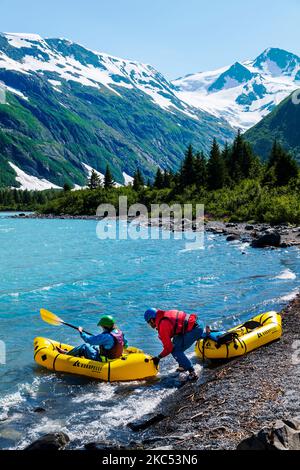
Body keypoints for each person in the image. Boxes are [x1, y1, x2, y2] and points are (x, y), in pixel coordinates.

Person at [144, 307, 212, 381]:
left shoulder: (163, 325)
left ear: (151, 320)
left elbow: (169, 348)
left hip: (195, 329)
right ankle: (204, 335)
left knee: (175, 350)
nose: (150, 325)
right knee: (176, 342)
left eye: (149, 323)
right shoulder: (164, 315)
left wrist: (158, 357)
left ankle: (192, 372)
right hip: (197, 324)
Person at [57, 315, 128, 362]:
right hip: (115, 358)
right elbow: (125, 345)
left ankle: (66, 355)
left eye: (102, 326)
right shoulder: (119, 332)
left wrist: (81, 332)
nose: (101, 328)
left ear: (105, 326)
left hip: (104, 360)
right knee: (94, 346)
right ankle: (71, 353)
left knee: (84, 346)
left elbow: (89, 340)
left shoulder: (106, 336)